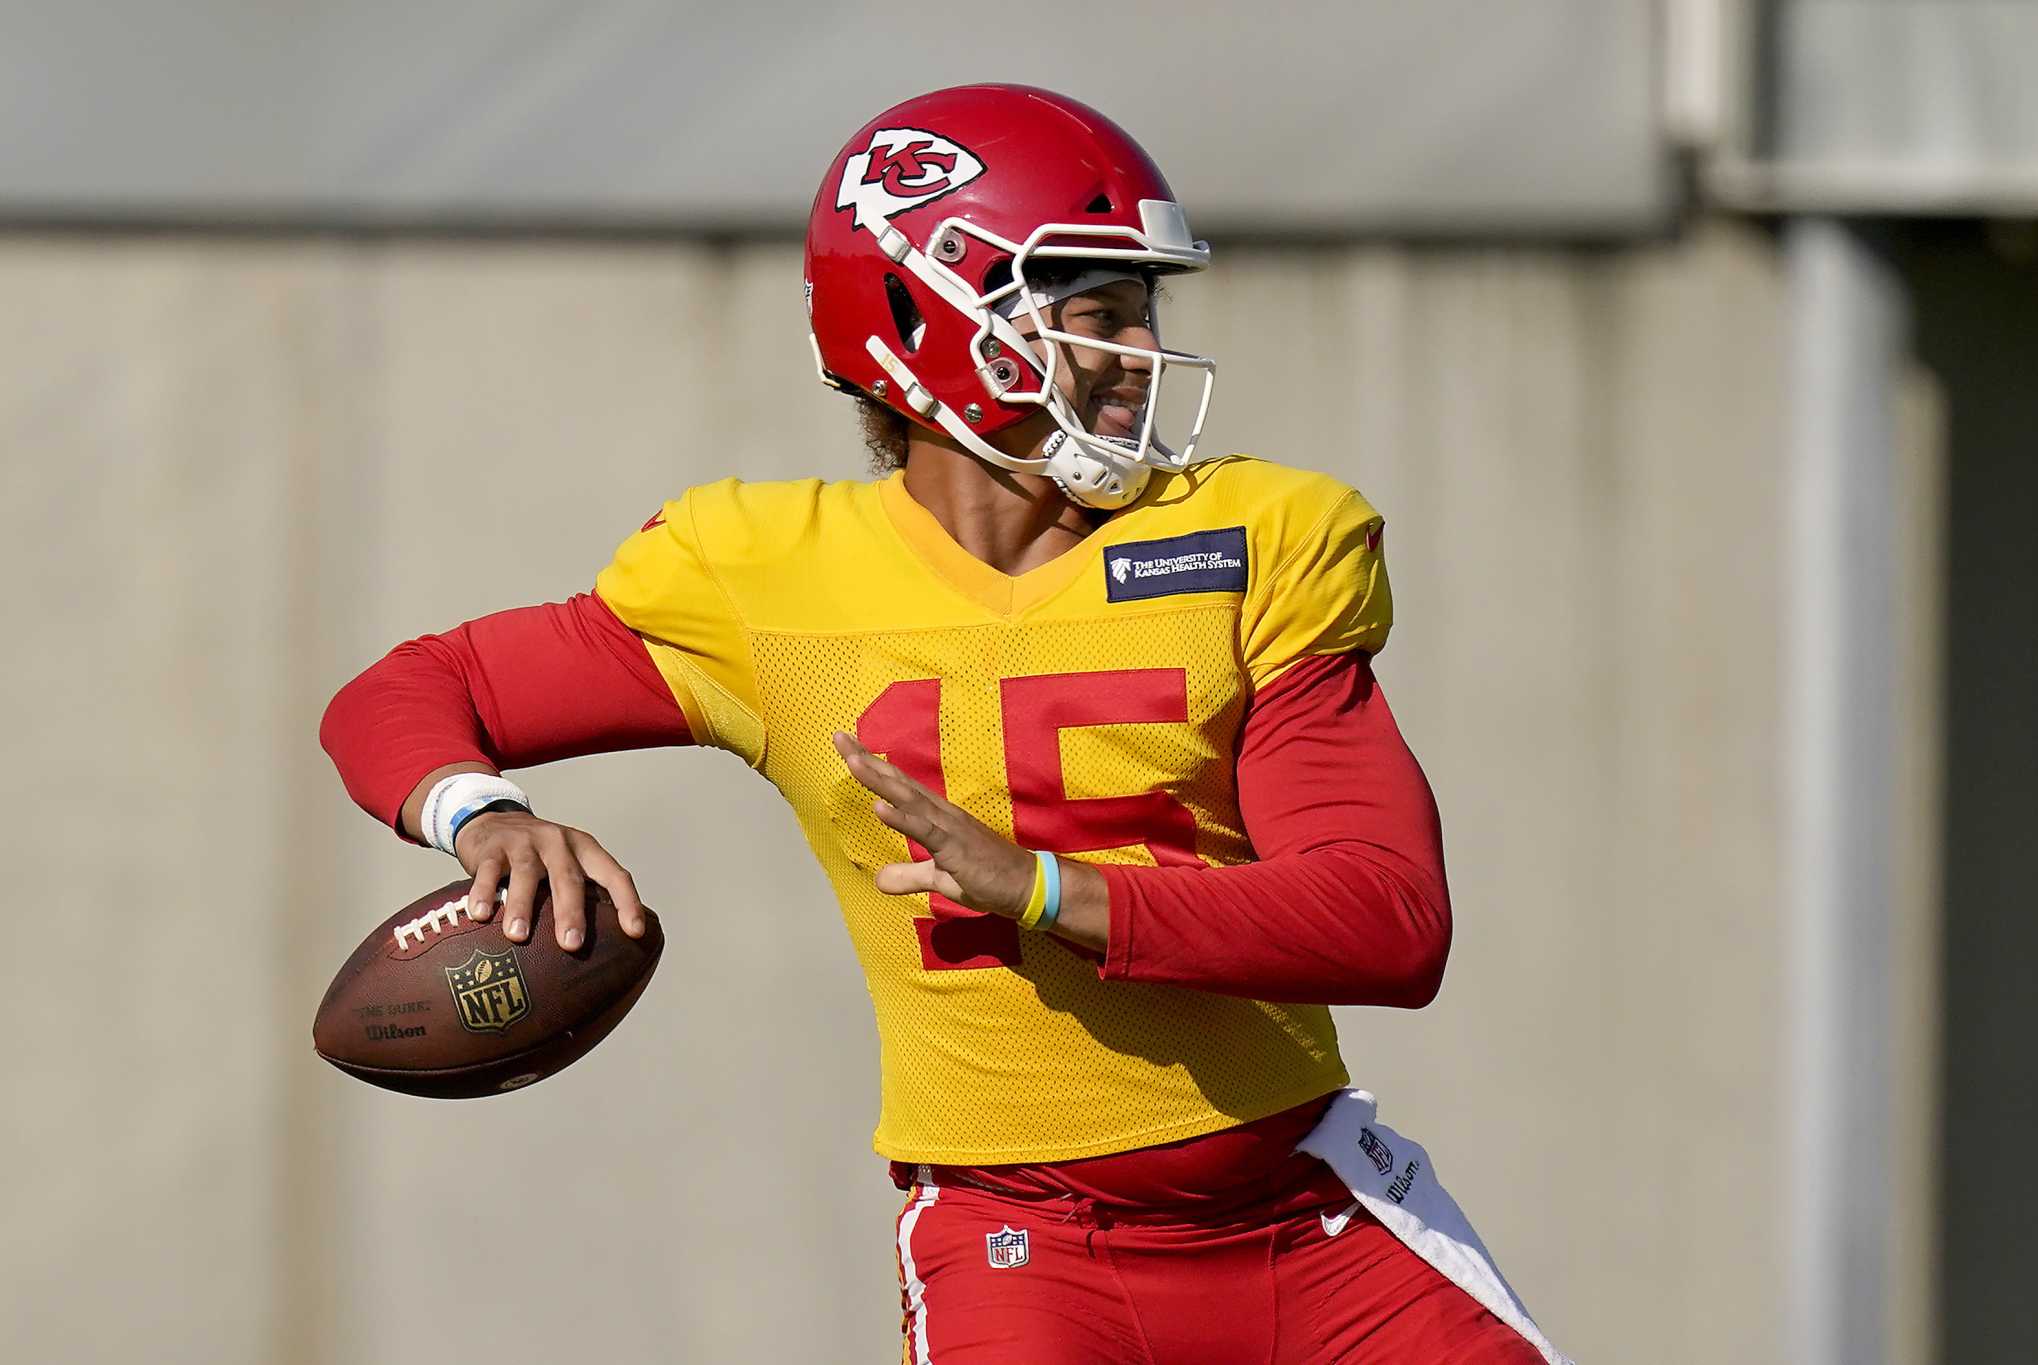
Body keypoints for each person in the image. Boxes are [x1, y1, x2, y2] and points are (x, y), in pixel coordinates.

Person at [322, 84, 1566, 1365]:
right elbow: (407, 693)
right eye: (1097, 315)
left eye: (1143, 311)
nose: (1137, 357)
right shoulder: (762, 572)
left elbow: (1387, 919)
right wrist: (486, 816)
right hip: (1019, 1245)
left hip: (1310, 1218)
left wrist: (1036, 890)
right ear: (934, 321)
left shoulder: (1258, 539)